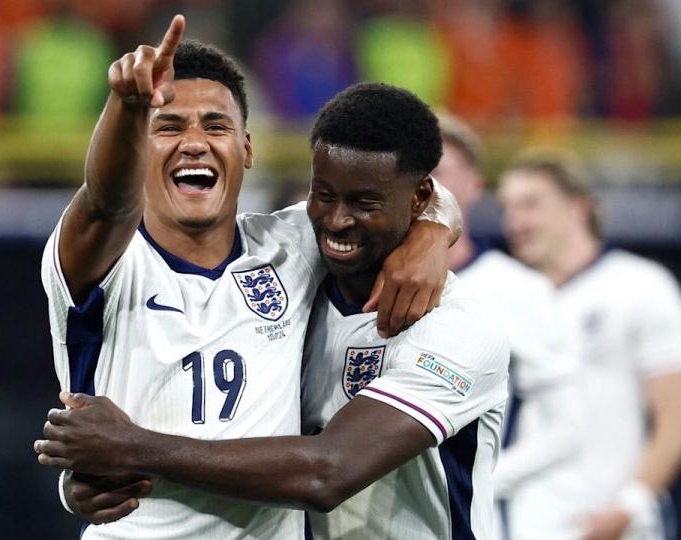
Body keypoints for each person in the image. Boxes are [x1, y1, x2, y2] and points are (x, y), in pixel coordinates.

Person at [39, 15, 460, 539]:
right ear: (138, 149)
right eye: (168, 127)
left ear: (247, 149)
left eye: (215, 126)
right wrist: (127, 108)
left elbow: (399, 196)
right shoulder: (105, 263)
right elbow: (106, 202)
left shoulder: (292, 243)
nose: (194, 143)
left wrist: (434, 230)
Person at [496, 150, 681, 540]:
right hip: (523, 523)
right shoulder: (503, 298)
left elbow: (676, 420)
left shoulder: (641, 285)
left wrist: (628, 508)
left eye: (530, 205)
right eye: (507, 209)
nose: (514, 222)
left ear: (578, 209)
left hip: (616, 523)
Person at [432, 115, 584, 540]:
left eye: (441, 169)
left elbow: (568, 426)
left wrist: (479, 482)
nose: (426, 183)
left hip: (469, 522)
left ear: (475, 185)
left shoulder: (516, 289)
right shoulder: (364, 281)